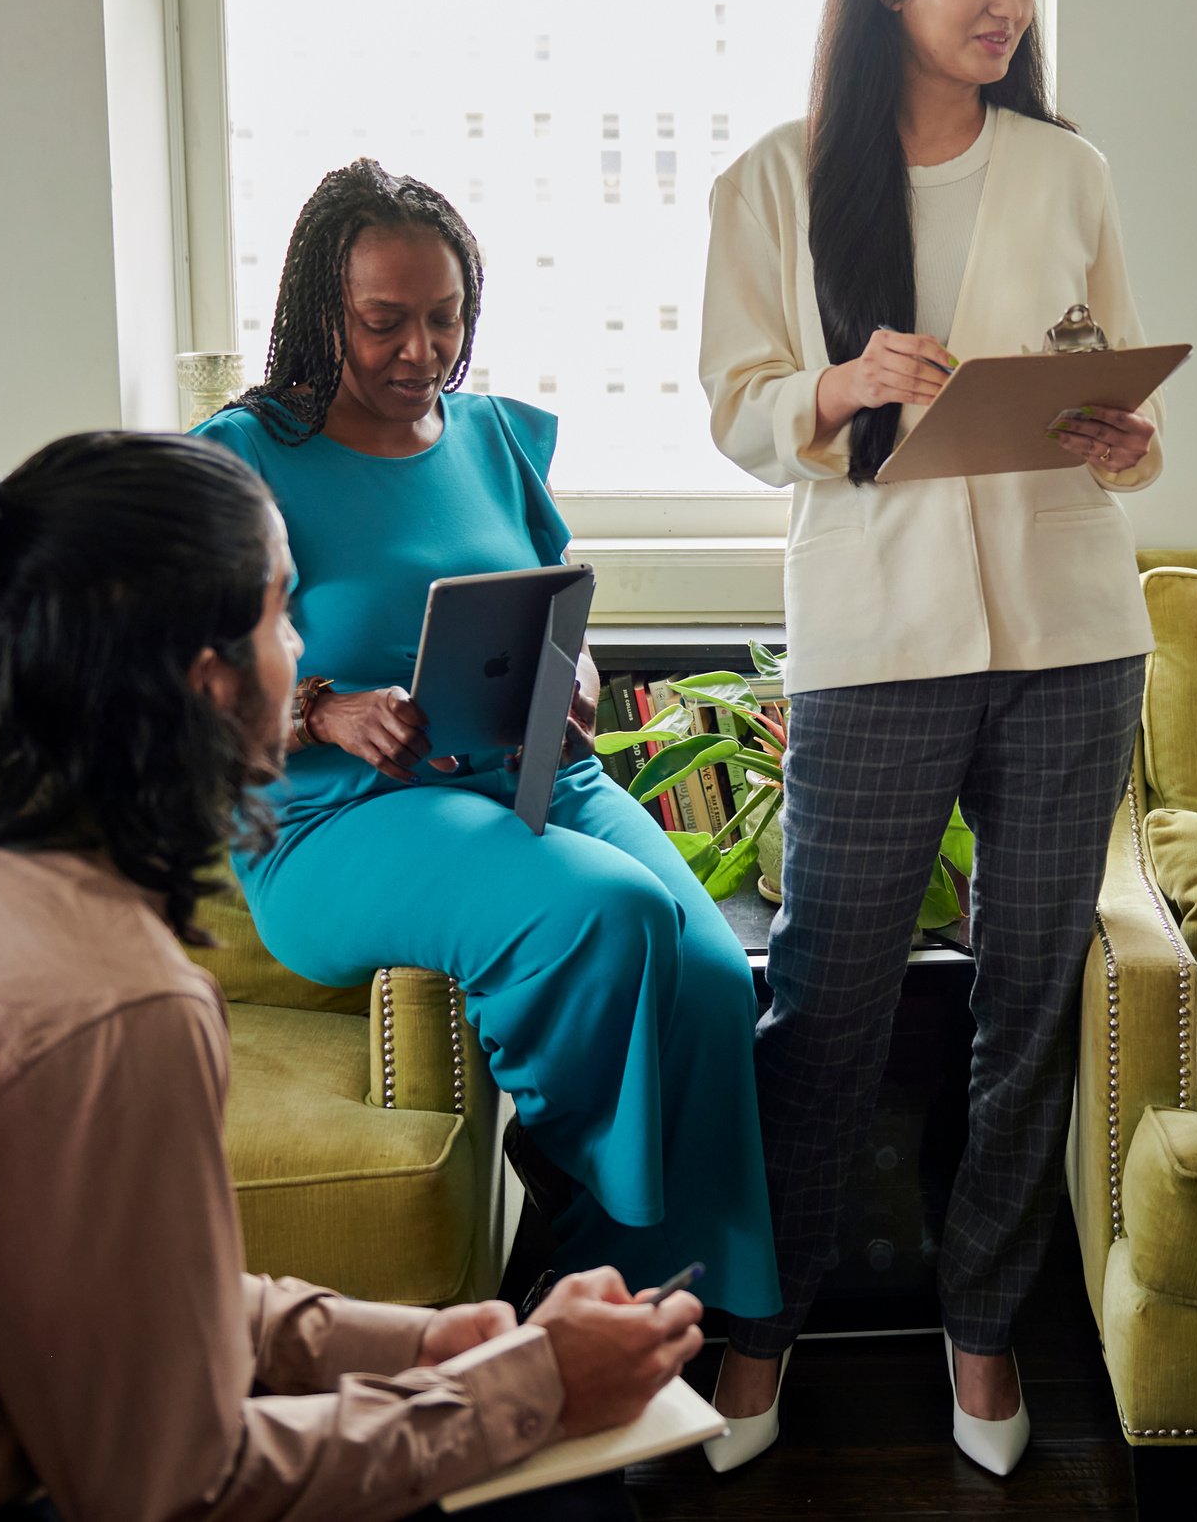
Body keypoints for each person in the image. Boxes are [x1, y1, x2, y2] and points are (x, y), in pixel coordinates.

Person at [0, 432, 702, 1521]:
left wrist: (414, 1341)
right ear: (207, 682)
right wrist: (531, 1384)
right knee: (566, 1495)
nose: (303, 643)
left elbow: (108, 1288)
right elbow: (172, 1488)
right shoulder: (112, 1008)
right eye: (283, 610)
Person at [694, 0, 1163, 1475]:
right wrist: (837, 386)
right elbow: (741, 407)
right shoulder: (774, 177)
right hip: (876, 639)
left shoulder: (1067, 169)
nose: (1006, 6)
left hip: (1070, 633)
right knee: (823, 1001)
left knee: (1026, 1000)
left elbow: (1117, 416)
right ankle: (759, 1324)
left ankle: (983, 1323)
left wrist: (1117, 433)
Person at [195, 159, 779, 1323]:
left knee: (714, 976)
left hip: (534, 770)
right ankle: (600, 1262)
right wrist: (322, 708)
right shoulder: (244, 455)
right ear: (322, 313)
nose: (419, 350)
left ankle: (698, 1305)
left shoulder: (494, 437)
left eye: (443, 318)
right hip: (340, 819)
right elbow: (179, 664)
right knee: (608, 920)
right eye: (383, 322)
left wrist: (576, 679)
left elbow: (558, 608)